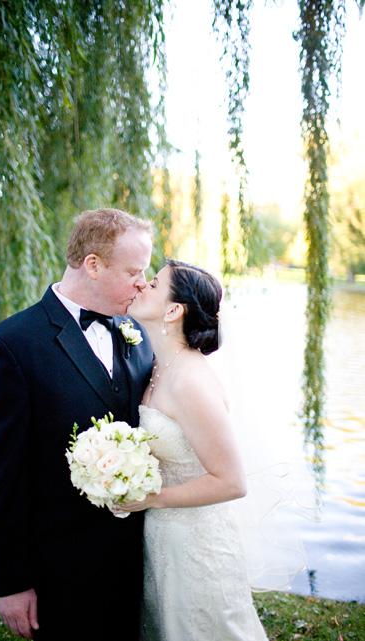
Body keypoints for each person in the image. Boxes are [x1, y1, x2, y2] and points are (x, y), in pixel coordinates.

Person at [0, 208, 155, 639]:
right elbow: (0, 477)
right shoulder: (12, 344)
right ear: (93, 265)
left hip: (144, 561)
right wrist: (11, 582)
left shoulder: (139, 332)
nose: (143, 284)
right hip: (64, 569)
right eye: (134, 271)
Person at [116, 258, 267, 640]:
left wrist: (152, 497)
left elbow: (232, 482)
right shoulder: (158, 367)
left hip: (199, 544)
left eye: (152, 284)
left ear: (173, 310)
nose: (140, 286)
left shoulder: (191, 383)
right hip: (166, 540)